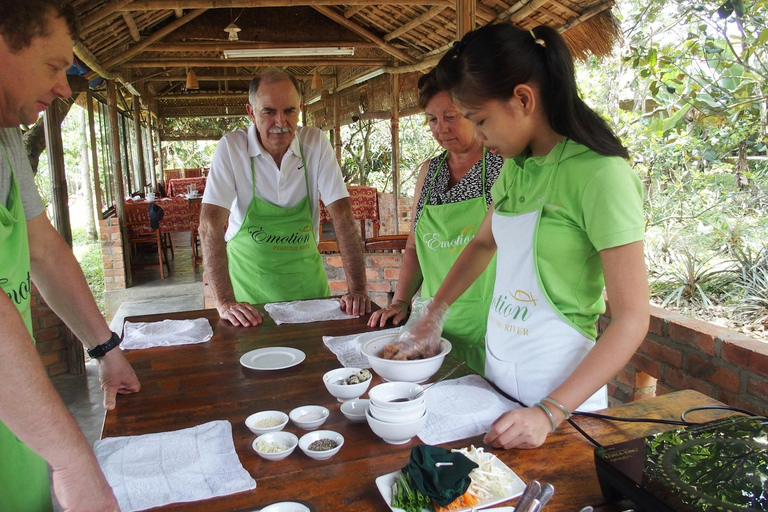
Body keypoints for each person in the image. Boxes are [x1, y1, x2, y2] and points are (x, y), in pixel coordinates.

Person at [395, 23, 650, 450]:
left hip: (563, 403)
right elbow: (482, 243)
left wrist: (550, 412)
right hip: (499, 383)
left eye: (480, 120)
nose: (477, 136)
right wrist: (433, 313)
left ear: (524, 99)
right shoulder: (517, 166)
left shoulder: (601, 176)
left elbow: (631, 320)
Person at [0, 1, 141, 510]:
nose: (64, 86)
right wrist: (74, 460)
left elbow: (44, 250)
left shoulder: (6, 136)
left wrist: (105, 349)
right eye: (53, 65)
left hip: (19, 419)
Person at [200, 69, 371, 327]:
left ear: (300, 108)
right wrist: (224, 302)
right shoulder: (232, 148)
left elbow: (343, 217)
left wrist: (358, 289)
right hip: (249, 304)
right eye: (269, 112)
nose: (281, 122)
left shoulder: (315, 144)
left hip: (309, 296)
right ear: (251, 112)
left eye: (289, 111)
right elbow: (209, 224)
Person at [367, 70, 502, 375]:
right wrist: (401, 301)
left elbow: (489, 244)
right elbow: (415, 245)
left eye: (451, 116)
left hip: (486, 322)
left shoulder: (501, 164)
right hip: (429, 324)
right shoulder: (430, 171)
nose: (441, 128)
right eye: (432, 120)